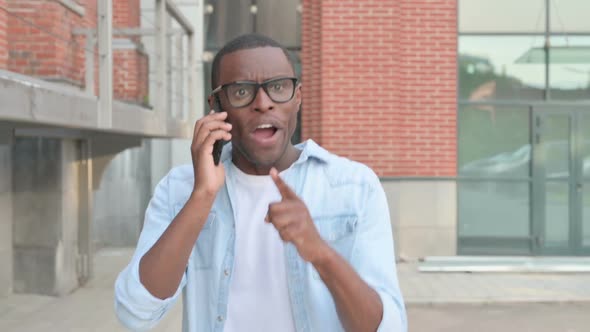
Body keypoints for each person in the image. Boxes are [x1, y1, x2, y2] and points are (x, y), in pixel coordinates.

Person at [114, 33, 407, 332]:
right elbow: (135, 312)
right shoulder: (179, 189)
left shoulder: (354, 187)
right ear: (216, 105)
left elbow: (389, 328)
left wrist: (322, 254)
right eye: (242, 91)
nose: (263, 103)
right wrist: (202, 197)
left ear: (298, 97)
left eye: (278, 87)